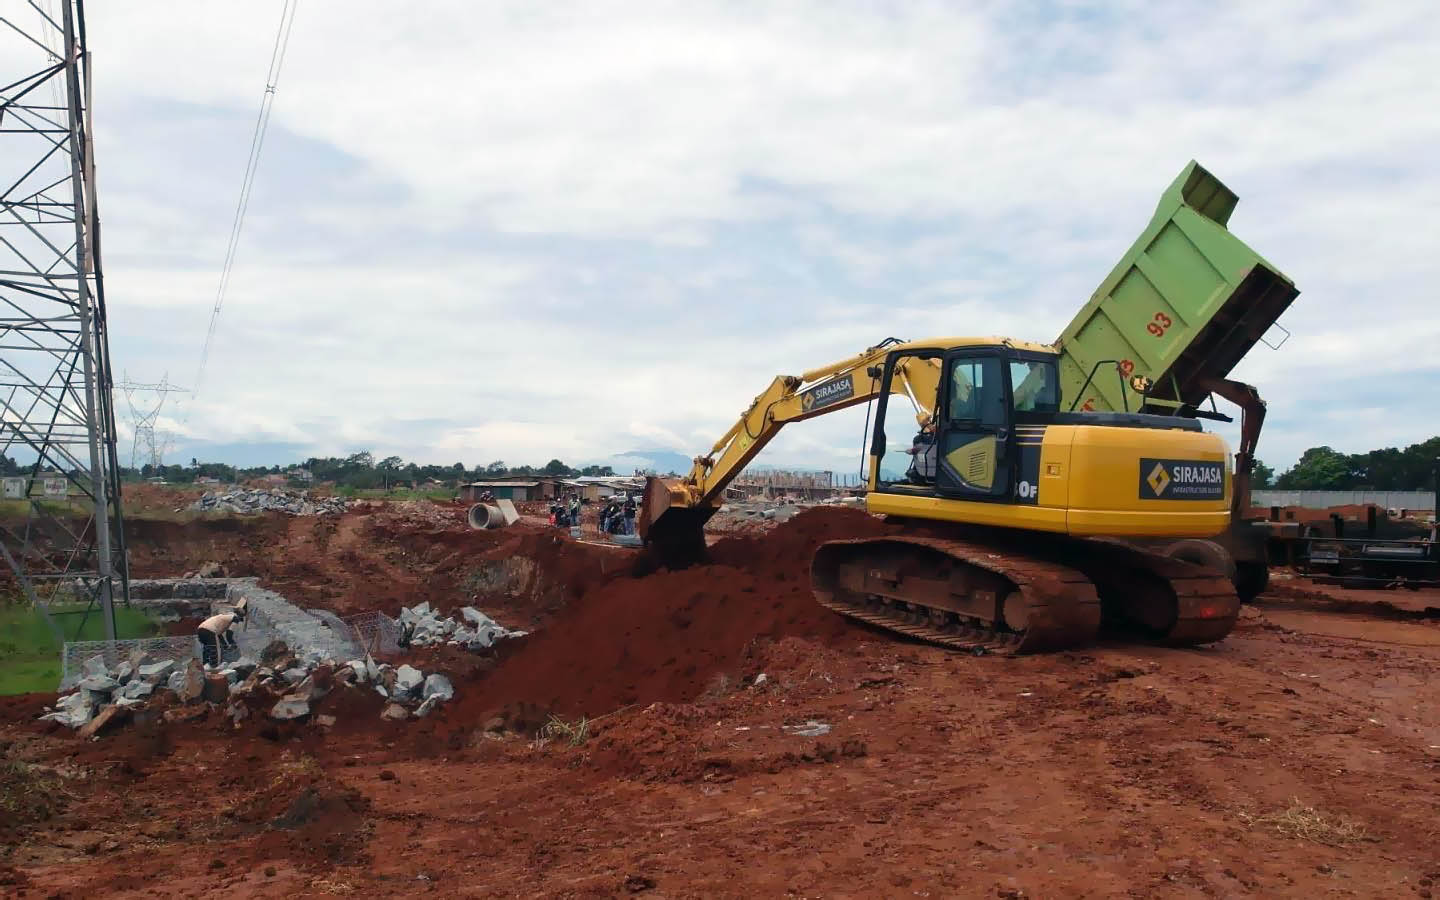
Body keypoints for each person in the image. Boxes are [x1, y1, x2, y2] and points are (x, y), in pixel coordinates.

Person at [196, 602, 245, 667]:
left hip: (200, 629)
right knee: (216, 650)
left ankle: (205, 666)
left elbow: (219, 635)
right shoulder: (234, 618)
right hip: (209, 630)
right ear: (239, 616)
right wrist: (233, 644)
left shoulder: (223, 618)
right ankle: (215, 667)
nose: (239, 622)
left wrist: (225, 646)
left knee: (207, 649)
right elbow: (229, 634)